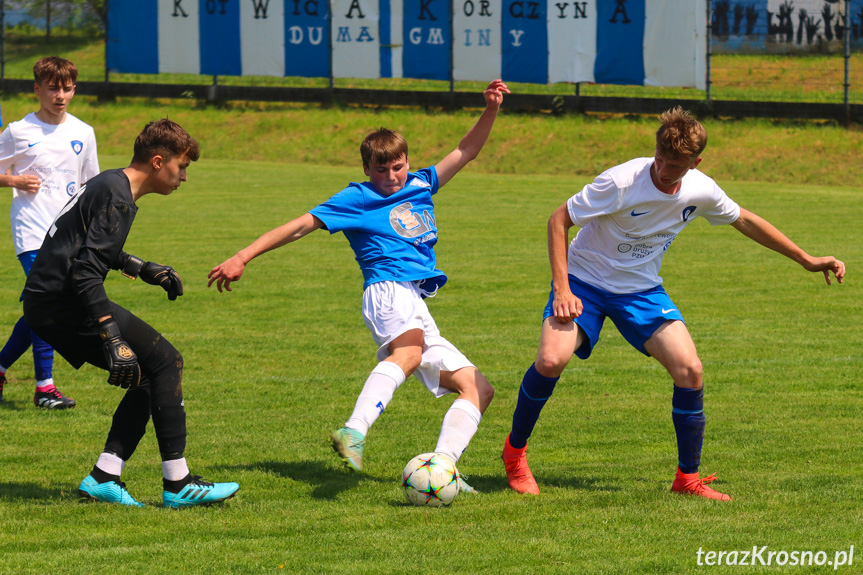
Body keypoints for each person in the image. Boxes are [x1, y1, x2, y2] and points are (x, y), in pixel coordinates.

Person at [502, 107, 845, 501]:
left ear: (695, 163)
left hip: (641, 291)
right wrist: (563, 289)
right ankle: (515, 454)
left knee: (690, 369)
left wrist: (807, 259)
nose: (665, 172)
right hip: (584, 282)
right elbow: (558, 219)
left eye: (677, 166)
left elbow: (745, 220)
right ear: (655, 151)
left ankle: (687, 479)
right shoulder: (620, 181)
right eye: (662, 161)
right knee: (550, 360)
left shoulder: (701, 189)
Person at [209, 80, 509, 488]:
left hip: (415, 299)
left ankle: (442, 470)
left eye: (398, 166)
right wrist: (242, 256)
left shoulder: (422, 184)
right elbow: (300, 226)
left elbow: (466, 150)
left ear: (407, 161)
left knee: (477, 387)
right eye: (381, 169)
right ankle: (353, 430)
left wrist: (491, 107)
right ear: (367, 169)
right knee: (408, 352)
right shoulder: (358, 199)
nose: (391, 176)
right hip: (386, 289)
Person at [22, 119, 239, 508]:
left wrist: (141, 267)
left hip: (51, 301)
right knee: (166, 361)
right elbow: (86, 270)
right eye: (182, 167)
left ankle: (104, 476)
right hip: (62, 303)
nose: (184, 177)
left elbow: (89, 247)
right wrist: (111, 336)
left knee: (145, 377)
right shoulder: (118, 197)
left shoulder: (111, 182)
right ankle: (178, 483)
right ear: (158, 162)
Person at [0, 56, 99, 408]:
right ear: (37, 89)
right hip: (31, 231)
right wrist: (13, 179)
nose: (60, 95)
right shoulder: (17, 131)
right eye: (53, 88)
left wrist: (92, 236)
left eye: (67, 88)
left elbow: (90, 188)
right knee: (49, 305)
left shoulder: (83, 133)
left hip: (69, 236)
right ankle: (45, 388)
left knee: (40, 309)